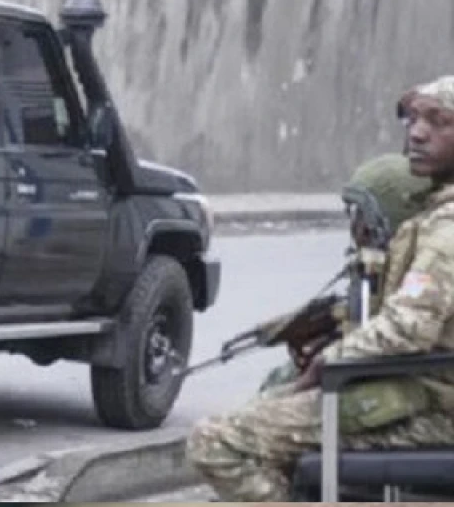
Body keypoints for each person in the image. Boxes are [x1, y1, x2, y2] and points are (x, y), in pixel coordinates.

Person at [187, 75, 454, 501]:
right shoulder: (436, 214)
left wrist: (331, 360)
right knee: (264, 408)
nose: (417, 132)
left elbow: (408, 328)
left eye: (439, 121)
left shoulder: (448, 227)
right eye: (414, 118)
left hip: (431, 407)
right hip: (416, 391)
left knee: (216, 442)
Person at [257, 153, 432, 394]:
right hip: (377, 369)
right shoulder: (382, 265)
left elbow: (401, 331)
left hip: (410, 385)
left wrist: (333, 353)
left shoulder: (423, 266)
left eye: (363, 216)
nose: (356, 227)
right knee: (280, 379)